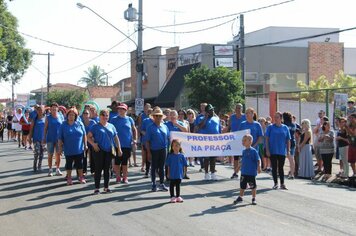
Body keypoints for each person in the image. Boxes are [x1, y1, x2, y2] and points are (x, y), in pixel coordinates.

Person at [87, 109, 122, 194]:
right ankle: (97, 188)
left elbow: (116, 137)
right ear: (99, 116)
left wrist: (119, 148)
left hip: (109, 150)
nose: (105, 117)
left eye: (106, 115)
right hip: (99, 150)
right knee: (98, 169)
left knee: (107, 169)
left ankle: (106, 187)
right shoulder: (95, 126)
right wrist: (93, 144)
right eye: (103, 115)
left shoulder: (111, 126)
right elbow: (88, 137)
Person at [58, 107, 87, 185]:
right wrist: (60, 148)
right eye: (70, 115)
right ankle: (69, 178)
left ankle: (81, 177)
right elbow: (60, 138)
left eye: (73, 115)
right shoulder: (63, 125)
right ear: (67, 116)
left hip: (79, 149)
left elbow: (84, 135)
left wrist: (85, 145)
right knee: (69, 164)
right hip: (68, 149)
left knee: (80, 164)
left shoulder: (80, 123)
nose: (71, 117)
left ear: (75, 116)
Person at [110, 103, 137, 184]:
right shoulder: (114, 119)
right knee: (117, 162)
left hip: (127, 144)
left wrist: (135, 140)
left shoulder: (129, 119)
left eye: (122, 109)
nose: (120, 110)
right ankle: (118, 177)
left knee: (125, 162)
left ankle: (125, 177)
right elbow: (110, 130)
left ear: (126, 110)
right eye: (119, 109)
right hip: (116, 144)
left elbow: (134, 129)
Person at [146, 108, 170, 192]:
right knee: (154, 167)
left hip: (163, 149)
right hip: (154, 150)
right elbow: (147, 141)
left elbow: (168, 138)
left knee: (162, 167)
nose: (158, 117)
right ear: (153, 117)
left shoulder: (165, 126)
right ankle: (153, 184)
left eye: (159, 116)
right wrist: (148, 152)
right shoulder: (150, 127)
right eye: (156, 116)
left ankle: (161, 183)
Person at [266, 111, 291, 190]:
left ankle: (282, 184)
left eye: (277, 117)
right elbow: (266, 139)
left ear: (281, 118)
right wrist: (267, 150)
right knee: (274, 167)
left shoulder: (285, 128)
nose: (275, 119)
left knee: (281, 167)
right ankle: (275, 183)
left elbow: (288, 140)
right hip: (273, 150)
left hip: (281, 150)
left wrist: (288, 151)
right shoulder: (270, 127)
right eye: (275, 117)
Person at [233, 134, 261, 205]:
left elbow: (258, 160)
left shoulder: (254, 151)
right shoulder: (243, 151)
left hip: (251, 172)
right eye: (242, 140)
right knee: (242, 186)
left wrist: (259, 167)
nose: (243, 142)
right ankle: (240, 197)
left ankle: (253, 198)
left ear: (250, 141)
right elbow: (242, 161)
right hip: (244, 172)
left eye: (245, 140)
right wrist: (237, 169)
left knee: (253, 186)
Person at [195, 104, 221, 181]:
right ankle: (206, 173)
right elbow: (200, 126)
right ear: (207, 112)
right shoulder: (201, 118)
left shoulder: (216, 118)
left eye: (212, 110)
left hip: (215, 140)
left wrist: (220, 138)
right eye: (210, 110)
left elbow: (219, 129)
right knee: (206, 158)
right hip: (206, 141)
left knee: (213, 158)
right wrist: (205, 118)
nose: (212, 111)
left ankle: (213, 173)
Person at [43, 103, 64, 177]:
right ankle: (50, 169)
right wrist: (44, 138)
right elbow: (45, 128)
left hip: (59, 139)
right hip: (50, 139)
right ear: (50, 109)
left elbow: (63, 127)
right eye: (53, 109)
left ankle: (57, 169)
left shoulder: (61, 116)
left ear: (58, 109)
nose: (54, 110)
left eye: (55, 108)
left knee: (58, 154)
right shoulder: (48, 117)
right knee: (50, 155)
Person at [228, 103, 246, 179]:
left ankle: (244, 173)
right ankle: (235, 172)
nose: (238, 109)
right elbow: (229, 127)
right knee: (236, 158)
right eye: (237, 108)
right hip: (234, 139)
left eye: (240, 108)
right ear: (235, 109)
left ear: (242, 109)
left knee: (244, 157)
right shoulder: (232, 117)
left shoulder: (245, 117)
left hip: (244, 140)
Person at [28, 105, 46, 172]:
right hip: (36, 139)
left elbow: (47, 129)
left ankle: (39, 166)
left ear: (44, 111)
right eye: (39, 110)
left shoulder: (46, 118)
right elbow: (31, 129)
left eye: (41, 110)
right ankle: (34, 165)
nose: (40, 111)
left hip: (43, 139)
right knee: (37, 152)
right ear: (37, 111)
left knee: (42, 153)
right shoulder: (34, 119)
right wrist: (29, 138)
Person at [81, 108, 97, 176]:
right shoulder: (80, 122)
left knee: (93, 156)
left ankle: (93, 170)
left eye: (87, 113)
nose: (85, 115)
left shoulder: (93, 122)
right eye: (84, 113)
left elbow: (96, 131)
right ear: (82, 115)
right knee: (84, 157)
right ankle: (84, 171)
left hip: (91, 142)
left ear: (89, 115)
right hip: (83, 142)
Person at [283, 112, 297, 179]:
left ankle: (279, 171)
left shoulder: (284, 125)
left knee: (282, 157)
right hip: (293, 142)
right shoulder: (294, 124)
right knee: (292, 158)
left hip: (285, 142)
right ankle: (292, 173)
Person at [140, 108, 153, 177]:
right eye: (149, 112)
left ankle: (154, 171)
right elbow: (142, 130)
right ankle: (147, 171)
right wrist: (147, 135)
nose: (150, 113)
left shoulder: (157, 120)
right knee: (148, 156)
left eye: (151, 112)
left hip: (154, 141)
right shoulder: (145, 121)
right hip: (146, 141)